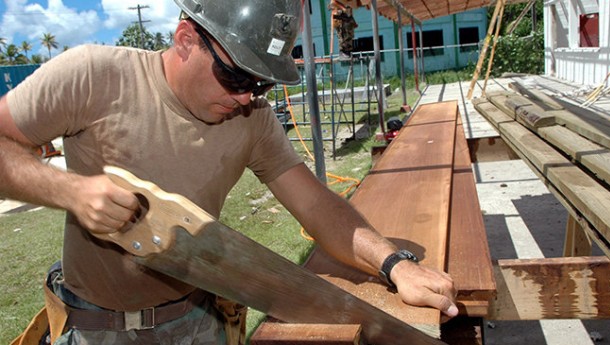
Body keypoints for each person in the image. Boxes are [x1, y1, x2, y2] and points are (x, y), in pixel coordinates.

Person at [0, 0, 457, 344]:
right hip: (96, 325)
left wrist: (394, 265)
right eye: (237, 77)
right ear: (185, 40)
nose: (246, 98)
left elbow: (316, 205)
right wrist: (69, 191)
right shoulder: (93, 76)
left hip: (199, 319)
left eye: (260, 84)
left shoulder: (252, 118)